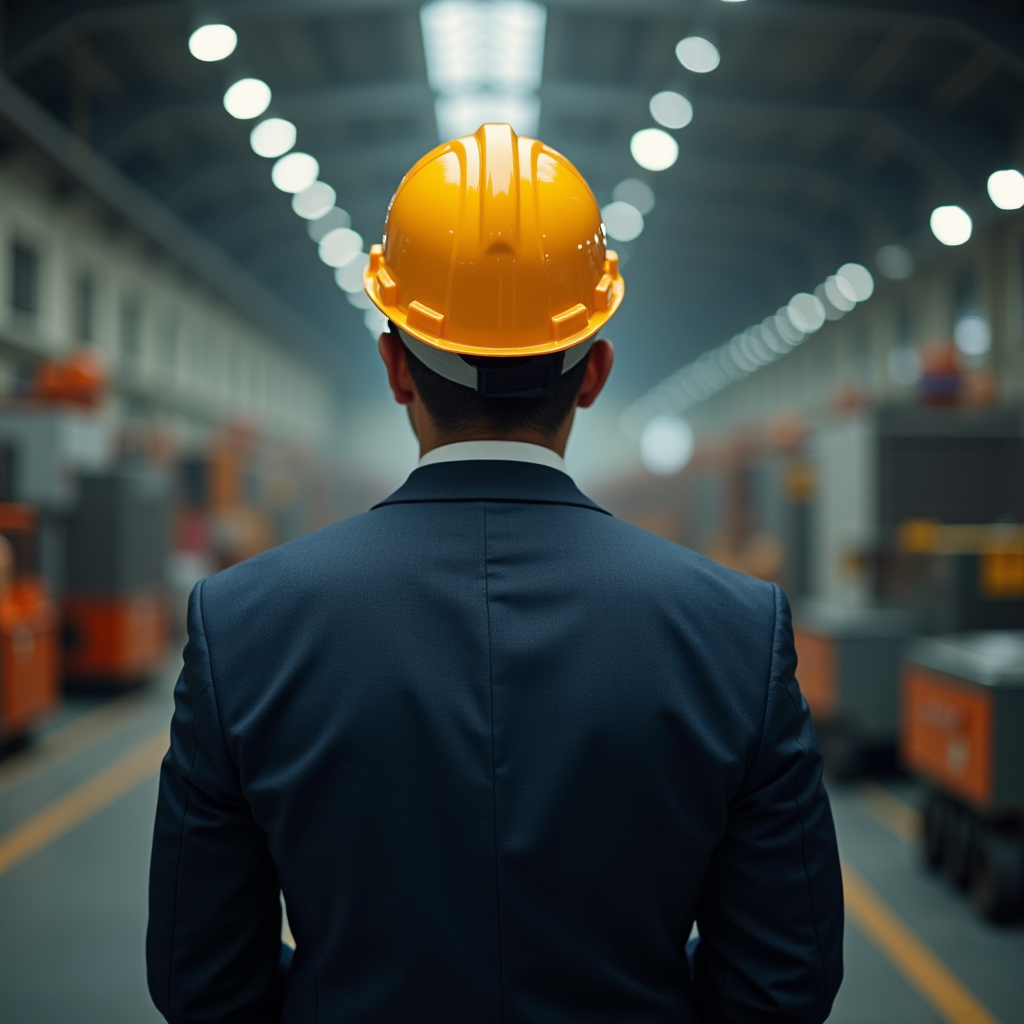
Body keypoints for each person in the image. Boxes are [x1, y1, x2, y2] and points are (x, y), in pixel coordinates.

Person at [147, 123, 843, 1024]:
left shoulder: (239, 624)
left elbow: (199, 980)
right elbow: (784, 983)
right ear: (594, 372)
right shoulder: (738, 631)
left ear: (396, 366)